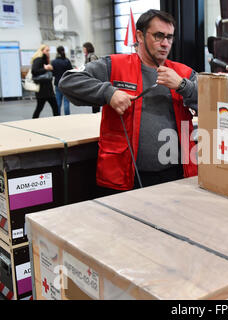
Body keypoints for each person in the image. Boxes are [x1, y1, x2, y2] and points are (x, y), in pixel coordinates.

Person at [60, 9, 198, 196]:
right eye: (159, 36)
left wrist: (183, 86)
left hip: (176, 177)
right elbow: (69, 81)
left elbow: (214, 103)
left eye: (170, 37)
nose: (165, 43)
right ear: (139, 36)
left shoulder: (183, 73)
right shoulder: (114, 65)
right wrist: (109, 93)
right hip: (127, 178)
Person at [31, 44, 59, 119]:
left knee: (51, 107)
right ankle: (58, 121)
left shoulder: (45, 59)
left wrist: (49, 68)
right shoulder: (38, 59)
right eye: (47, 50)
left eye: (48, 50)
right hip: (42, 89)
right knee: (43, 107)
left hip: (46, 89)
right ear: (42, 50)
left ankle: (57, 120)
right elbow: (34, 71)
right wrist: (46, 68)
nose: (48, 52)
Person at [51, 46, 73, 115]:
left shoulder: (54, 62)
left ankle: (57, 116)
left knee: (58, 101)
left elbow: (53, 73)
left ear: (57, 52)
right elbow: (71, 71)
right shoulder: (67, 61)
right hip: (66, 83)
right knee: (66, 102)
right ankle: (67, 116)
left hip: (57, 83)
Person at [83, 42, 101, 114]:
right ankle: (95, 113)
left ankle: (96, 113)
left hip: (95, 80)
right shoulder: (87, 56)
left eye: (84, 48)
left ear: (87, 48)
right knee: (93, 99)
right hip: (91, 79)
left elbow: (95, 68)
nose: (83, 50)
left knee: (95, 99)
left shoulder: (92, 56)